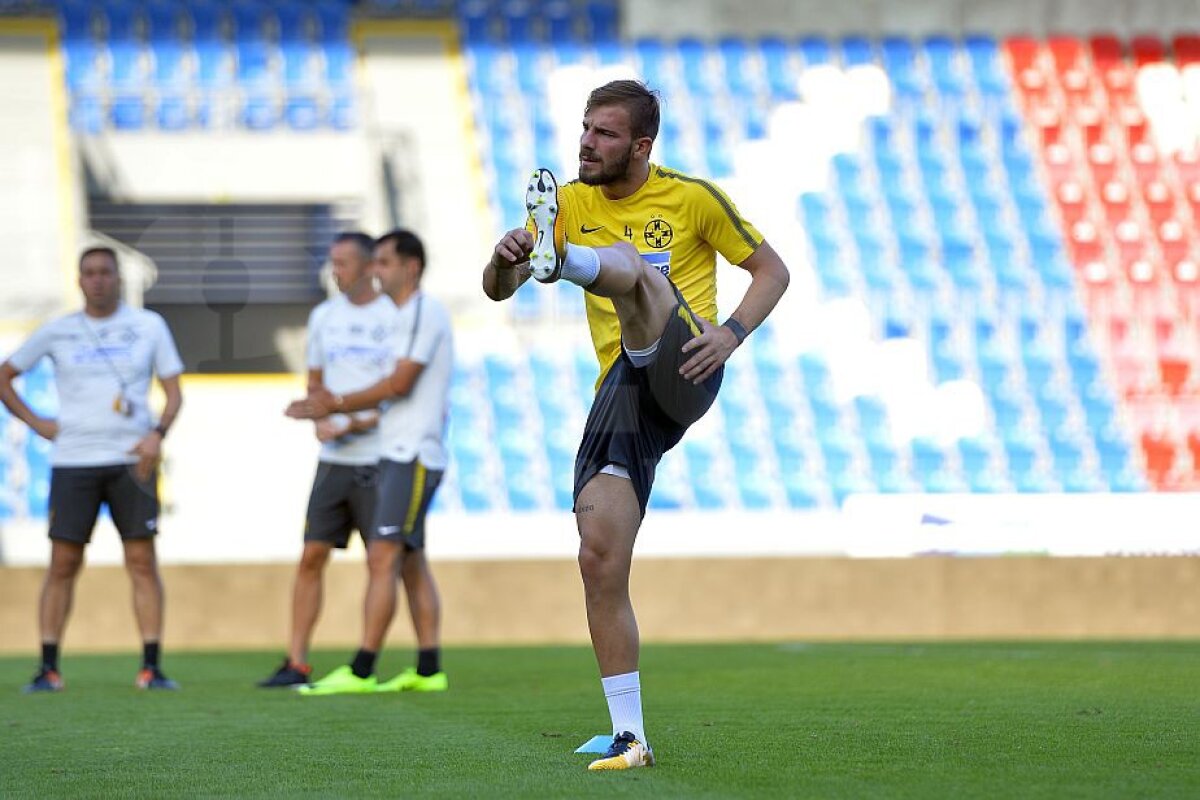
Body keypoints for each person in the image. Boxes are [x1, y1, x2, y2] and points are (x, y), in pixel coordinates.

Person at [482, 79, 790, 770]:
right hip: (624, 391)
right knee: (598, 557)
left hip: (686, 363)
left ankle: (566, 263)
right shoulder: (568, 202)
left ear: (642, 146)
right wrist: (505, 263)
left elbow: (773, 271)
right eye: (586, 128)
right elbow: (497, 293)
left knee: (634, 270)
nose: (587, 142)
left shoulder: (692, 198)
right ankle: (631, 737)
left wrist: (732, 334)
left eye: (606, 133)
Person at [0, 246, 185, 693]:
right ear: (79, 280)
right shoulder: (59, 330)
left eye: (105, 272)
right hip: (74, 461)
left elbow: (174, 392)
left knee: (141, 560)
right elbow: (5, 376)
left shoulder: (149, 325)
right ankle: (48, 667)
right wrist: (37, 423)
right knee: (63, 561)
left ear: (118, 278)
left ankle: (151, 667)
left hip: (132, 461)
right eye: (89, 272)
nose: (98, 279)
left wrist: (157, 433)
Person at [285, 229, 454, 695]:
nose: (376, 271)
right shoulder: (401, 315)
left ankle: (361, 671)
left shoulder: (423, 311)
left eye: (383, 262)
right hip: (394, 453)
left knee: (383, 555)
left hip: (410, 453)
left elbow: (399, 384)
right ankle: (428, 669)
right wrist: (329, 410)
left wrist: (336, 406)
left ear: (410, 268)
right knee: (407, 557)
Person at [257, 232, 398, 688]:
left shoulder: (394, 316)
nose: (334, 271)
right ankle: (296, 661)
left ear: (369, 266)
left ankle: (367, 664)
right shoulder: (324, 317)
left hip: (381, 457)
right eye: (332, 262)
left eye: (342, 262)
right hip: (334, 461)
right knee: (312, 554)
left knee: (382, 562)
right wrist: (319, 417)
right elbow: (315, 382)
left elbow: (399, 392)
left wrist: (352, 422)